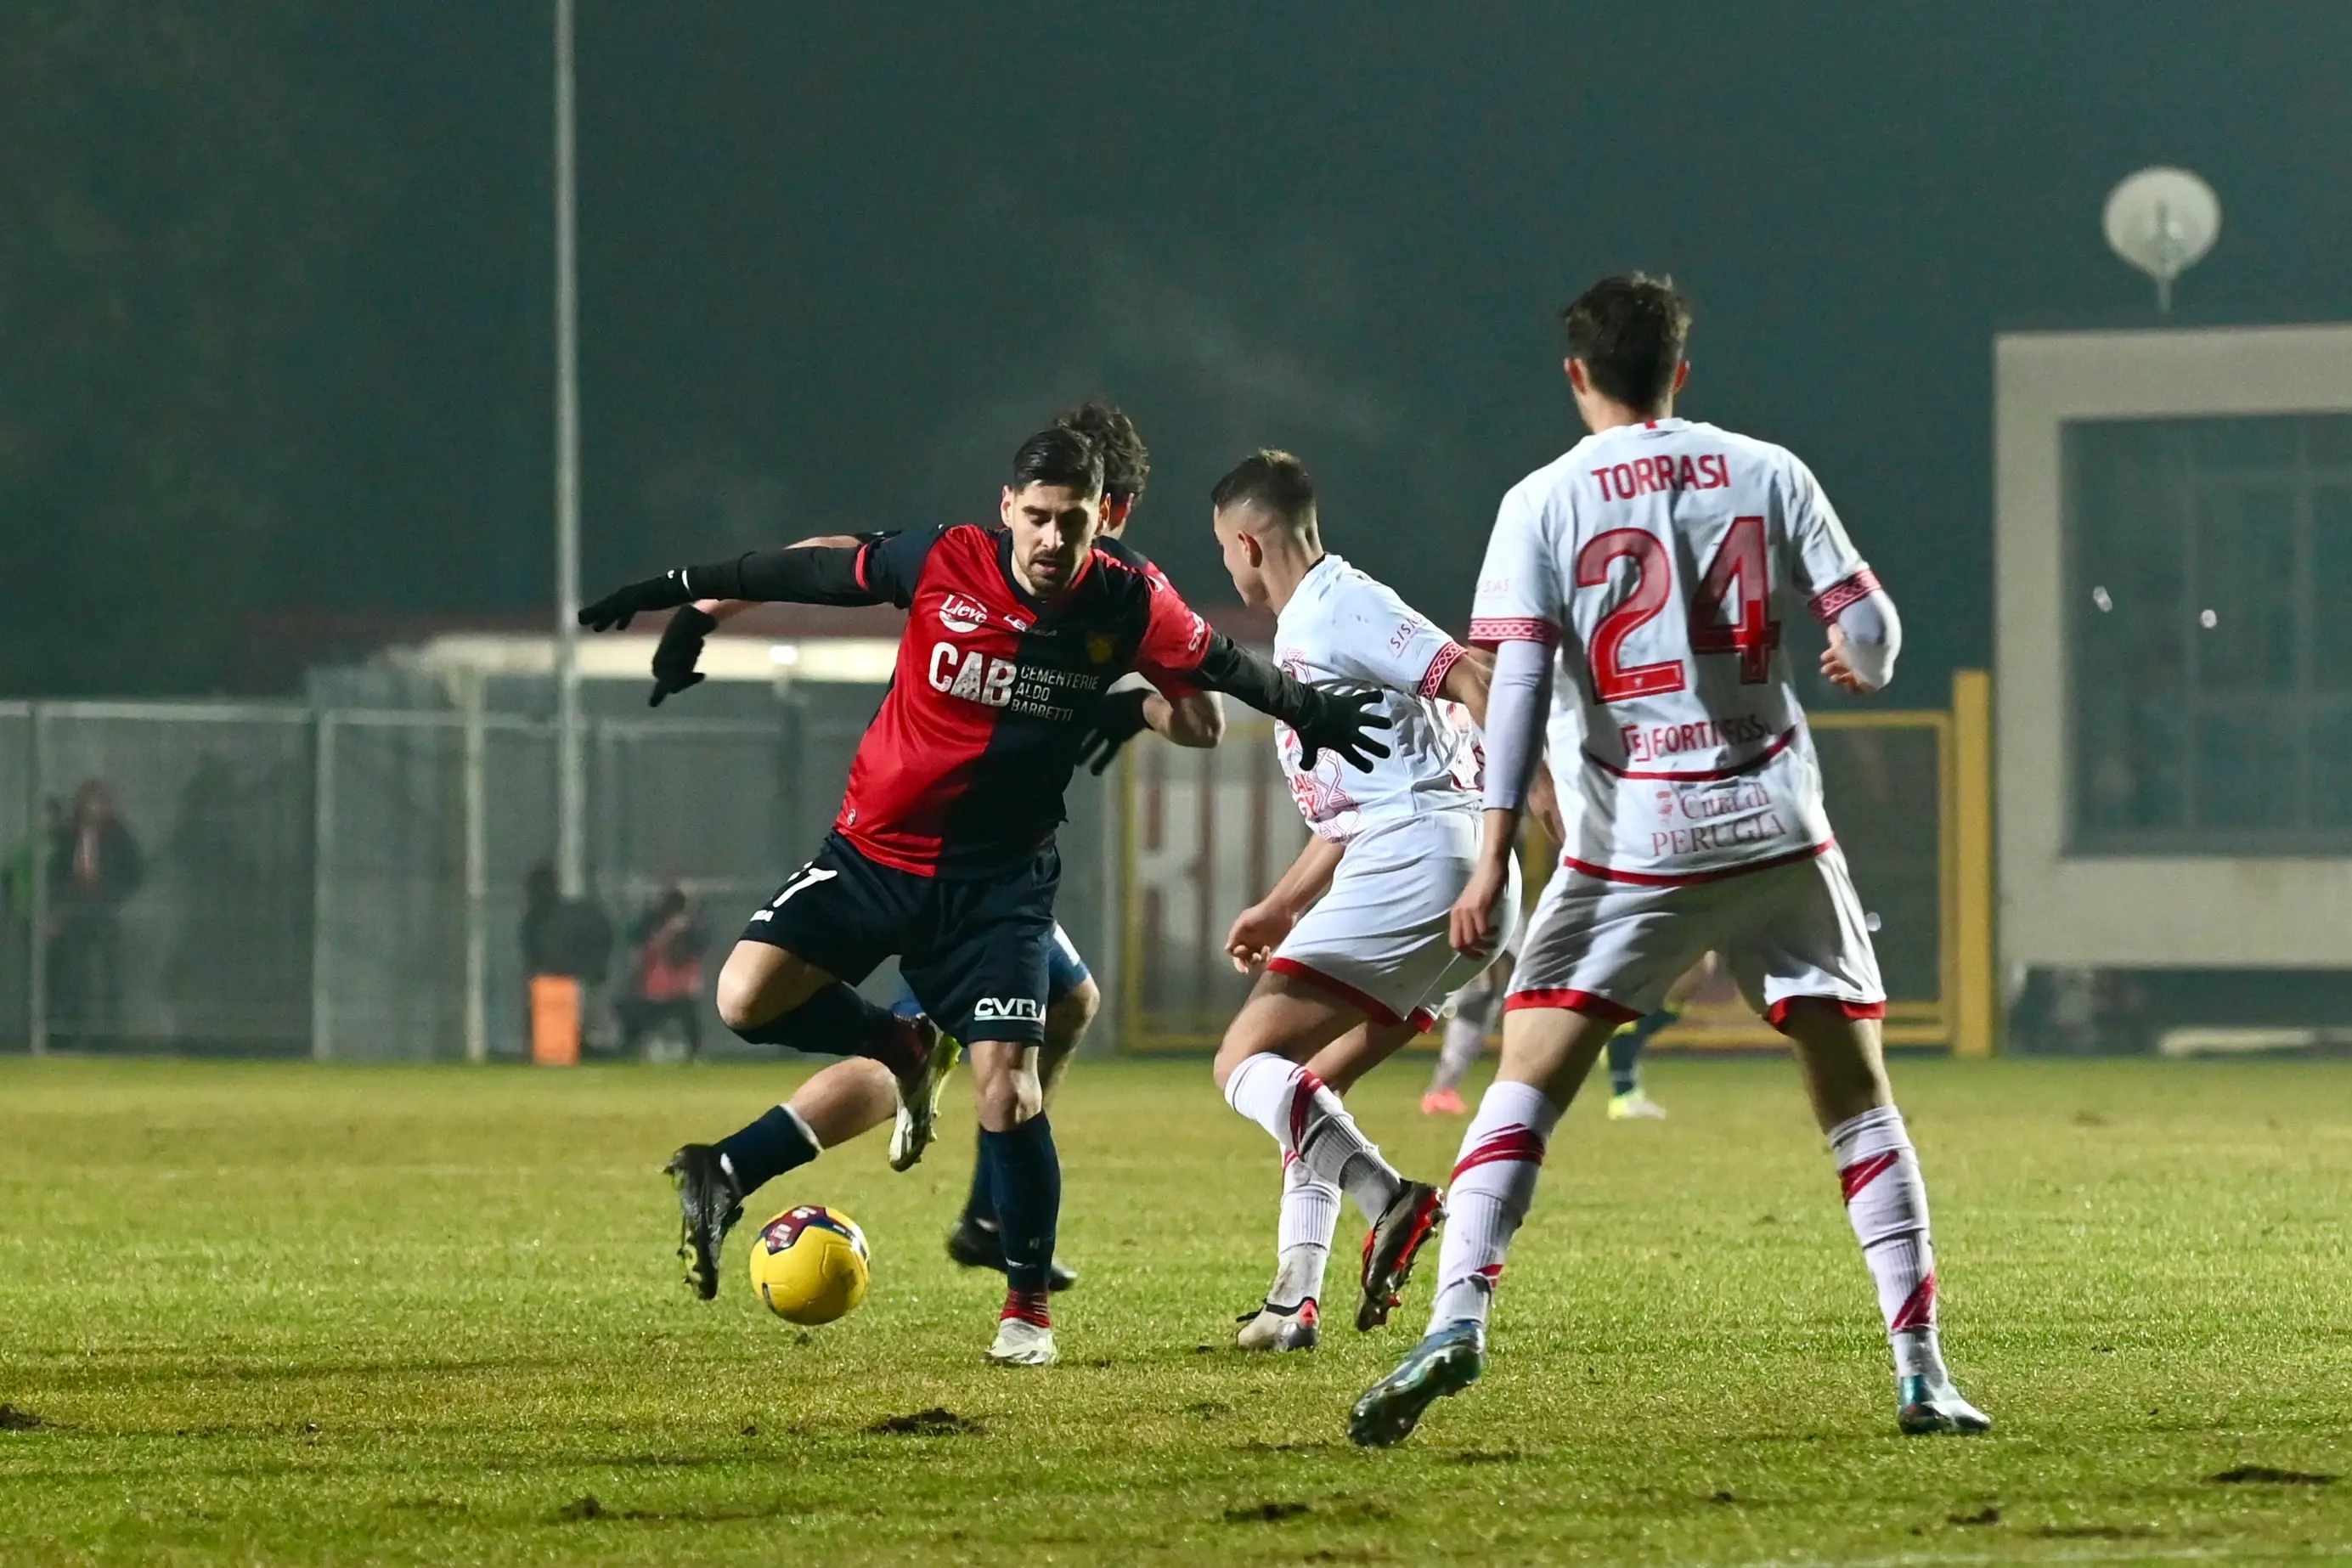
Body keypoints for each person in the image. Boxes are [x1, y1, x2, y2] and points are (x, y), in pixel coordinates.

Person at [578, 423, 1389, 1366]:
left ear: (1104, 517)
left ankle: (1021, 1298)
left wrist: (1303, 707)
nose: (1053, 538)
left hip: (997, 884)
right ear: (1007, 508)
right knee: (746, 997)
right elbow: (817, 565)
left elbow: (1213, 679)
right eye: (1037, 518)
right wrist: (685, 598)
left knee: (1016, 1076)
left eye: (1074, 521)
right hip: (874, 855)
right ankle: (872, 1097)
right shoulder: (947, 559)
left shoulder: (1128, 598)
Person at [1351, 272, 1987, 1446]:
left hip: (1634, 845)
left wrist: (1492, 859)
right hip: (1775, 828)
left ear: (1577, 375)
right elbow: (1873, 634)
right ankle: (1921, 1370)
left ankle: (1454, 1321)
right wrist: (1862, 662)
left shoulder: (1540, 500)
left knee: (1524, 1087)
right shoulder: (1767, 469)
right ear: (1681, 371)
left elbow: (1521, 689)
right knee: (1855, 1099)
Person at [663, 401, 1225, 1294]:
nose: (1055, 531)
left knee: (1070, 1001)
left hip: (983, 860)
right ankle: (735, 1167)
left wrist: (709, 602)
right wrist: (1128, 702)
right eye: (1042, 512)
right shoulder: (1113, 584)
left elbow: (832, 547)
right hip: (946, 863)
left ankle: (988, 1213)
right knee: (935, 1043)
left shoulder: (1090, 587)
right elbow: (1202, 717)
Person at [1204, 450, 1520, 1350]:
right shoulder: (1315, 619)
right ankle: (1291, 1303)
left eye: (1226, 554)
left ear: (1248, 543)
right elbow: (1355, 807)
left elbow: (1474, 679)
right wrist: (1279, 905)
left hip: (1428, 857)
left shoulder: (1343, 604)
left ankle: (1393, 1199)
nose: (1229, 570)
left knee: (1243, 1062)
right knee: (1311, 1090)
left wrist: (1506, 838)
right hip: (1430, 859)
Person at [46, 781, 144, 1041]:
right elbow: (54, 873)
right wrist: (56, 910)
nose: (92, 807)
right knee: (74, 974)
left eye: (98, 801)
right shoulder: (67, 836)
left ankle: (111, 1036)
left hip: (106, 914)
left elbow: (135, 873)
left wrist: (116, 898)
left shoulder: (118, 836)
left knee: (110, 974)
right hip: (74, 914)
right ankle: (72, 1034)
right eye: (87, 801)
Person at [618, 884, 710, 1059]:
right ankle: (633, 1048)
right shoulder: (655, 922)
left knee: (688, 1020)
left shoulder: (691, 926)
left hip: (678, 985)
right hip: (660, 984)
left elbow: (700, 944)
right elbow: (638, 937)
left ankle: (693, 1052)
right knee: (644, 1017)